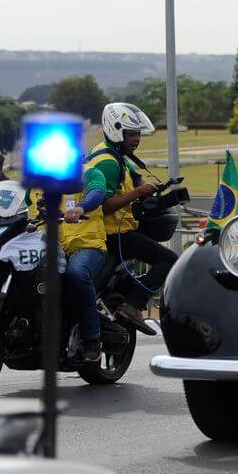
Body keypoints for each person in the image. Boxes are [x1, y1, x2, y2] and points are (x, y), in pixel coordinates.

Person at [93, 102, 177, 334]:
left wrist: (145, 185)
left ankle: (122, 298)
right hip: (114, 235)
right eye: (131, 134)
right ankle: (134, 304)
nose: (136, 139)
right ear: (115, 130)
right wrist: (138, 193)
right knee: (169, 260)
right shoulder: (108, 162)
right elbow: (103, 206)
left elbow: (133, 173)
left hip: (118, 231)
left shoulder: (114, 154)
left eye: (138, 134)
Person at [60, 152, 114, 363]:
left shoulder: (91, 173)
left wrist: (81, 207)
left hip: (89, 246)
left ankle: (92, 338)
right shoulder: (46, 182)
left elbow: (97, 192)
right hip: (54, 247)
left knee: (76, 273)